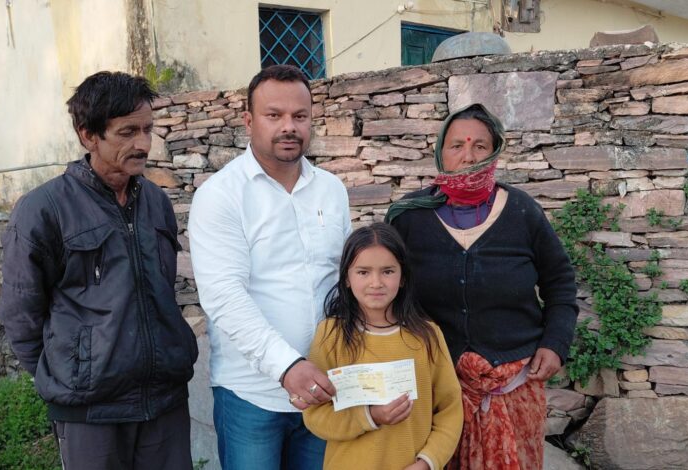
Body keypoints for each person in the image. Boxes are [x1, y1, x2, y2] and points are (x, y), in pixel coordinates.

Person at [0, 71, 198, 470]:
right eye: (127, 132)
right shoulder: (44, 210)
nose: (143, 144)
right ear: (88, 135)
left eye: (147, 129)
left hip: (165, 401)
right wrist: (71, 372)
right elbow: (21, 315)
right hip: (90, 413)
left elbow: (162, 290)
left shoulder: (156, 202)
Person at [386, 103, 579, 469]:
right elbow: (385, 292)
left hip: (514, 382)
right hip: (435, 383)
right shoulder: (408, 217)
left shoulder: (522, 211)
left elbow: (560, 283)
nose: (468, 156)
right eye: (456, 145)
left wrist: (555, 343)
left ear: (495, 152)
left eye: (480, 146)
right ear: (440, 152)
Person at [188, 64, 351, 470]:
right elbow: (224, 297)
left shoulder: (331, 190)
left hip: (324, 388)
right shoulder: (221, 196)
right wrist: (287, 366)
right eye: (274, 115)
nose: (289, 127)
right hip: (252, 396)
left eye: (299, 116)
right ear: (249, 121)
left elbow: (344, 281)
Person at [303, 223, 463, 470]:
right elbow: (315, 415)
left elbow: (450, 410)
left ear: (403, 277)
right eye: (363, 272)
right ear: (346, 278)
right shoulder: (331, 335)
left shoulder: (427, 336)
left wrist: (428, 462)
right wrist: (370, 416)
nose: (376, 282)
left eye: (387, 271)